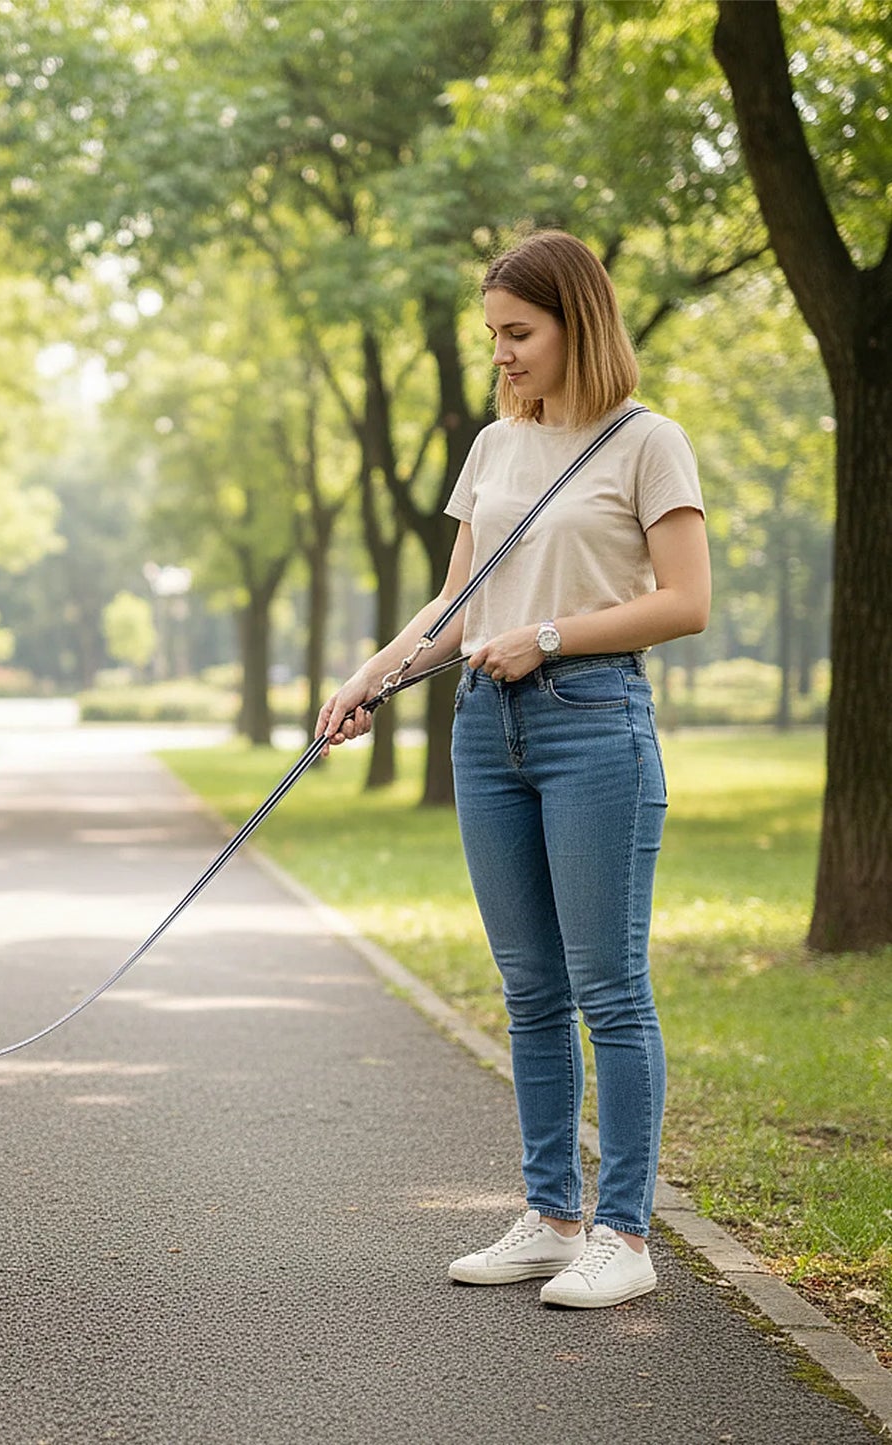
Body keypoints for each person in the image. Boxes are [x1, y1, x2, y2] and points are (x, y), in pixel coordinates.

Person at [318, 230, 710, 1309]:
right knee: (529, 987)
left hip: (593, 723)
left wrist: (547, 634)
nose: (499, 353)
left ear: (576, 323)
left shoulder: (648, 442)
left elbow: (684, 602)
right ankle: (550, 1217)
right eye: (491, 333)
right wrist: (366, 677)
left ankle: (623, 1234)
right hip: (485, 731)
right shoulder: (494, 445)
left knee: (608, 989)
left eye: (518, 332)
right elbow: (456, 602)